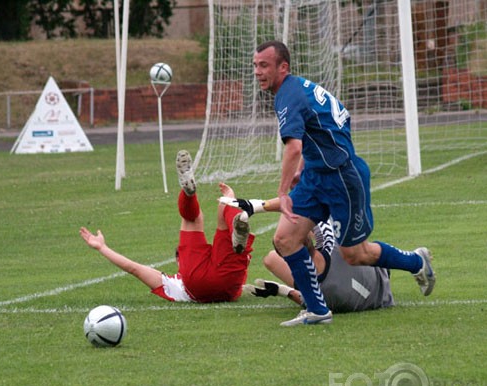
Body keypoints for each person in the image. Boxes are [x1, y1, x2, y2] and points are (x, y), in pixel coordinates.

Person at [248, 40, 435, 326]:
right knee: (285, 239)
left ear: (282, 67)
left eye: (264, 65)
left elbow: (294, 146)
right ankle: (317, 310)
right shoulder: (301, 88)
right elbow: (334, 124)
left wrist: (283, 191)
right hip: (316, 175)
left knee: (355, 254)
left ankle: (416, 262)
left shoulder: (288, 94)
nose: (258, 71)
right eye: (255, 65)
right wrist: (304, 168)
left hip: (341, 179)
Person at [80, 150, 254, 304]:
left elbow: (134, 268)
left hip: (201, 283)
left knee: (196, 218)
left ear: (179, 262)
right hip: (229, 281)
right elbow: (134, 269)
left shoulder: (177, 284)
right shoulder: (175, 283)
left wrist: (102, 248)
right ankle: (232, 221)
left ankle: (191, 195)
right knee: (223, 207)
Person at [244, 220, 396, 313]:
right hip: (380, 278)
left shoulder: (320, 293)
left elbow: (304, 299)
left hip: (376, 292)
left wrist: (281, 290)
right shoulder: (334, 242)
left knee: (271, 259)